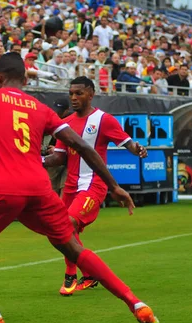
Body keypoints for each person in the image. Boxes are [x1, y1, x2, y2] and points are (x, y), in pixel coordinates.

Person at [0, 53, 159, 323]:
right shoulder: (41, 108)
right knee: (73, 247)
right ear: (26, 80)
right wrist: (113, 186)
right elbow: (83, 147)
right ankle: (136, 304)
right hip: (40, 190)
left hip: (3, 187)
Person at [44, 76, 148, 295]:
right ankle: (89, 274)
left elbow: (127, 143)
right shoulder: (67, 123)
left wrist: (138, 149)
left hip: (94, 184)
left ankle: (70, 274)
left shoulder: (104, 120)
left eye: (79, 93)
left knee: (69, 224)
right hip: (71, 185)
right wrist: (37, 160)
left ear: (91, 94)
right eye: (71, 93)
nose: (73, 97)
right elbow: (60, 157)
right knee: (60, 228)